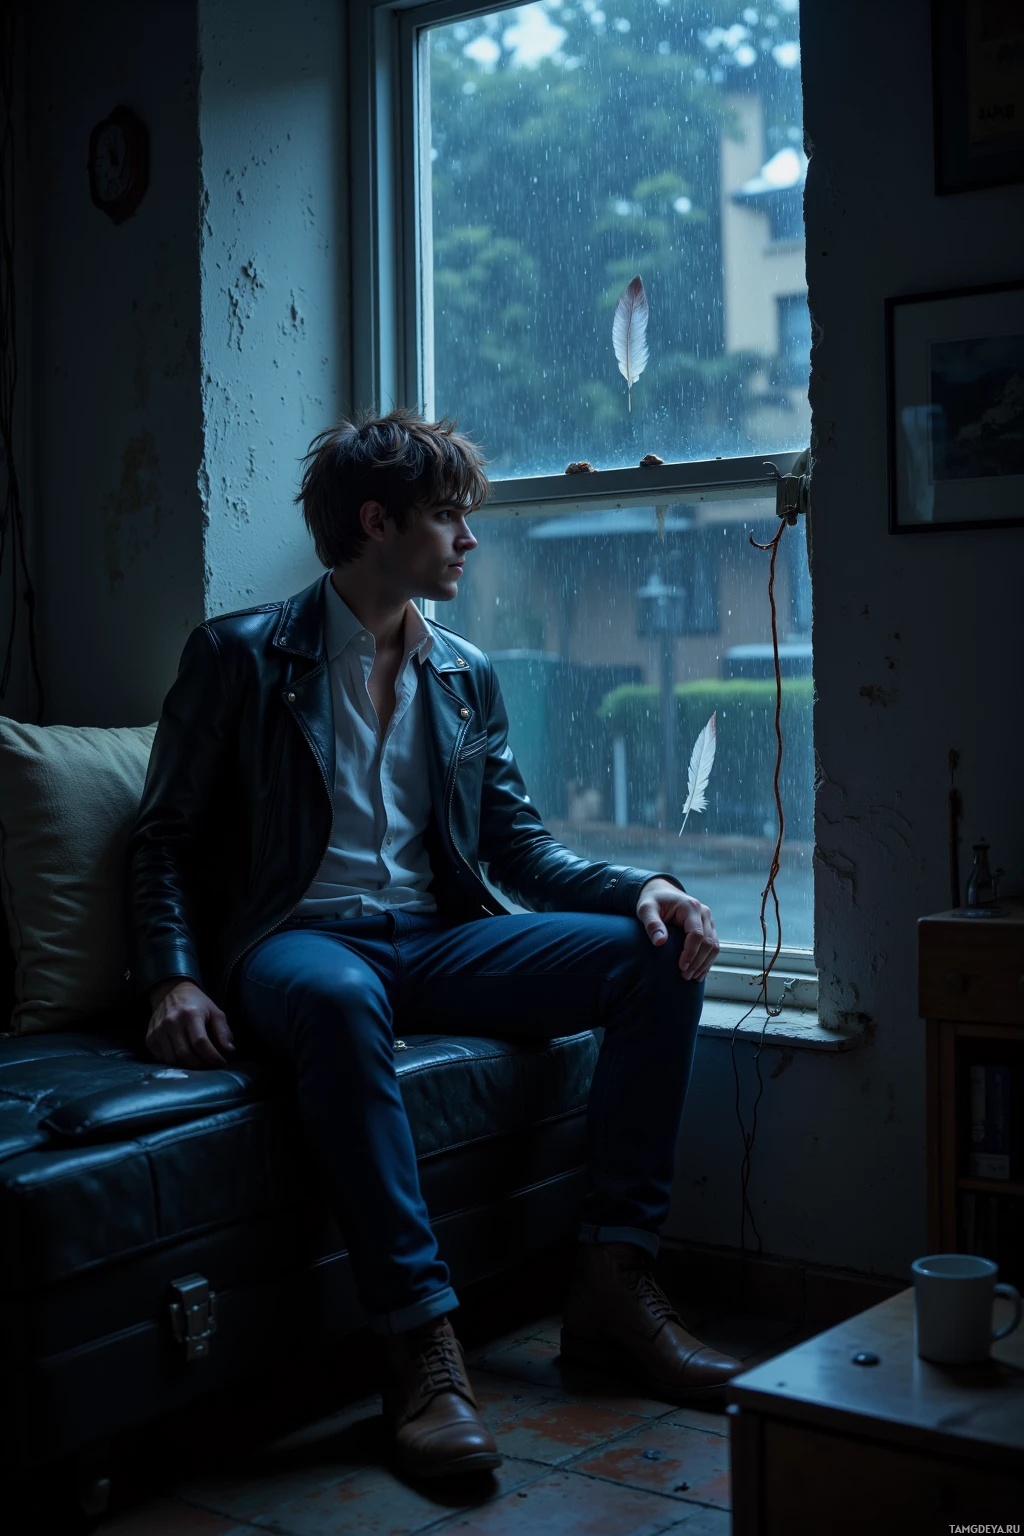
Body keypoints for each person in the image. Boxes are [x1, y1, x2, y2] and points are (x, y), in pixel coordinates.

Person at [130, 408, 742, 1482]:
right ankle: (420, 1346)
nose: (469, 541)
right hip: (299, 944)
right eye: (449, 518)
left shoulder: (462, 674)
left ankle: (611, 1283)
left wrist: (645, 887)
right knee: (335, 1000)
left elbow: (518, 847)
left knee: (656, 953)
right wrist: (175, 974)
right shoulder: (238, 658)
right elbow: (166, 840)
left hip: (438, 942)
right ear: (377, 522)